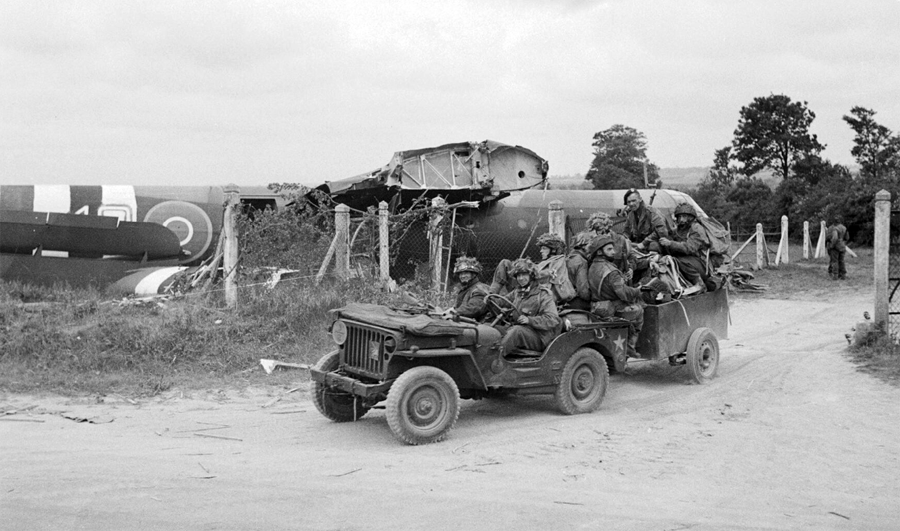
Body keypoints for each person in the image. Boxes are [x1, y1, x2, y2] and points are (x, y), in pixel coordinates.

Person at [588, 235, 645, 357]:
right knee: (639, 310)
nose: (613, 252)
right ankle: (630, 347)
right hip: (613, 308)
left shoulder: (592, 266)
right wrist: (637, 290)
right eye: (609, 249)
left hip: (596, 307)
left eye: (613, 249)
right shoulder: (612, 271)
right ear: (599, 252)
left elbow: (607, 284)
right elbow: (623, 294)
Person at [497, 258, 562, 356]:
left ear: (531, 276)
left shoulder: (543, 294)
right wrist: (490, 300)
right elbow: (502, 301)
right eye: (518, 275)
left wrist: (529, 320)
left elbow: (552, 319)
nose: (521, 278)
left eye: (524, 274)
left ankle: (496, 360)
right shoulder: (517, 292)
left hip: (539, 336)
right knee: (494, 329)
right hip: (520, 330)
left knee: (516, 331)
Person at [658, 203, 722, 292]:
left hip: (701, 264)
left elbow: (689, 248)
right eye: (679, 217)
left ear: (690, 217)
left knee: (681, 261)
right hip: (688, 261)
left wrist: (670, 243)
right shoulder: (678, 230)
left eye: (684, 216)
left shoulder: (697, 229)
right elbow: (671, 239)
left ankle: (699, 283)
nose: (681, 219)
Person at [585, 211, 633, 281]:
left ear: (608, 227)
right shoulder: (589, 244)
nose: (600, 235)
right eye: (596, 231)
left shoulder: (620, 240)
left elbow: (631, 256)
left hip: (619, 281)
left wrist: (630, 268)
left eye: (603, 231)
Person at [444, 256, 490, 320]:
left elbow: (473, 309)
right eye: (460, 274)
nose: (462, 276)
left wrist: (454, 312)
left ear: (473, 274)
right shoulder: (466, 289)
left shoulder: (479, 289)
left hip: (480, 325)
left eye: (465, 273)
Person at [565, 231, 593, 311]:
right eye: (591, 245)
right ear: (584, 245)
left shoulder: (570, 257)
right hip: (576, 303)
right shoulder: (581, 261)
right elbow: (583, 292)